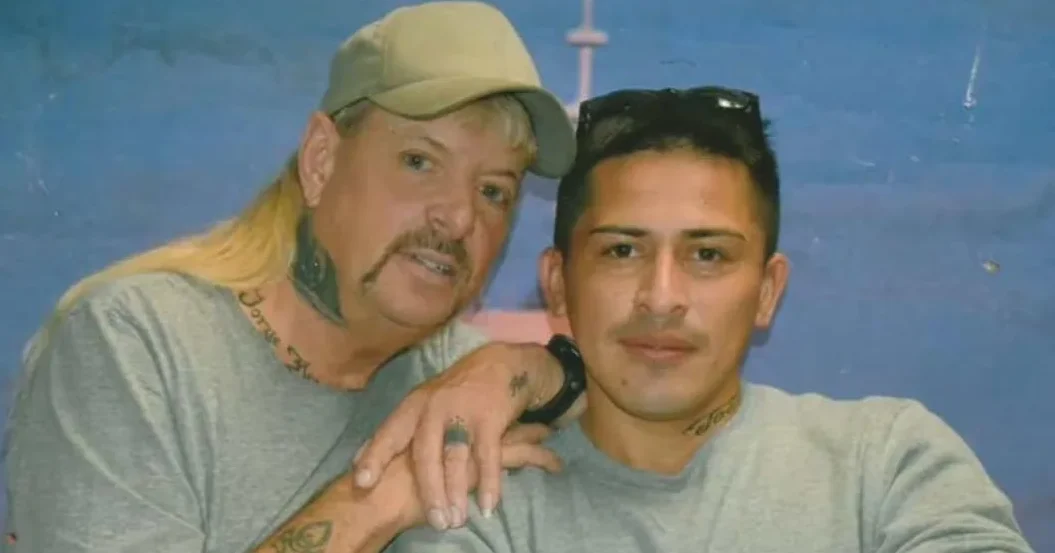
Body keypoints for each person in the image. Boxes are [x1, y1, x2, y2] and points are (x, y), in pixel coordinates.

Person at [2, 3, 592, 553]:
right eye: (419, 162)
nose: (459, 217)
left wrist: (520, 369)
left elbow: (628, 398)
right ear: (320, 160)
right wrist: (378, 499)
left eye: (494, 191)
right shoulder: (136, 348)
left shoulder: (458, 380)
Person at [388, 86, 1037, 552]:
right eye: (622, 251)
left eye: (707, 255)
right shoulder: (481, 508)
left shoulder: (886, 464)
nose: (661, 297)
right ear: (558, 285)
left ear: (767, 291)